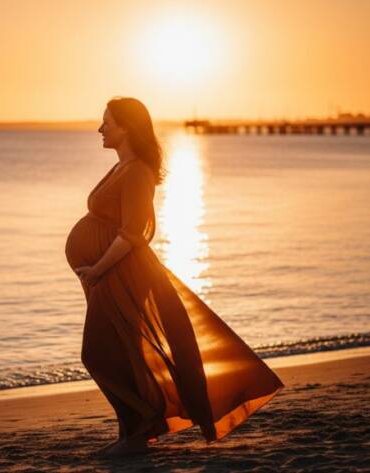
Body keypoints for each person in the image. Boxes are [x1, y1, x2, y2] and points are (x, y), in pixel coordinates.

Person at [64, 97, 284, 457]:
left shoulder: (137, 171)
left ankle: (140, 430)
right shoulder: (122, 167)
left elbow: (132, 234)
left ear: (127, 127)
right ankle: (134, 434)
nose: (101, 128)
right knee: (121, 353)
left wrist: (98, 269)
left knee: (99, 353)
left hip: (123, 273)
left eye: (107, 122)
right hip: (110, 274)